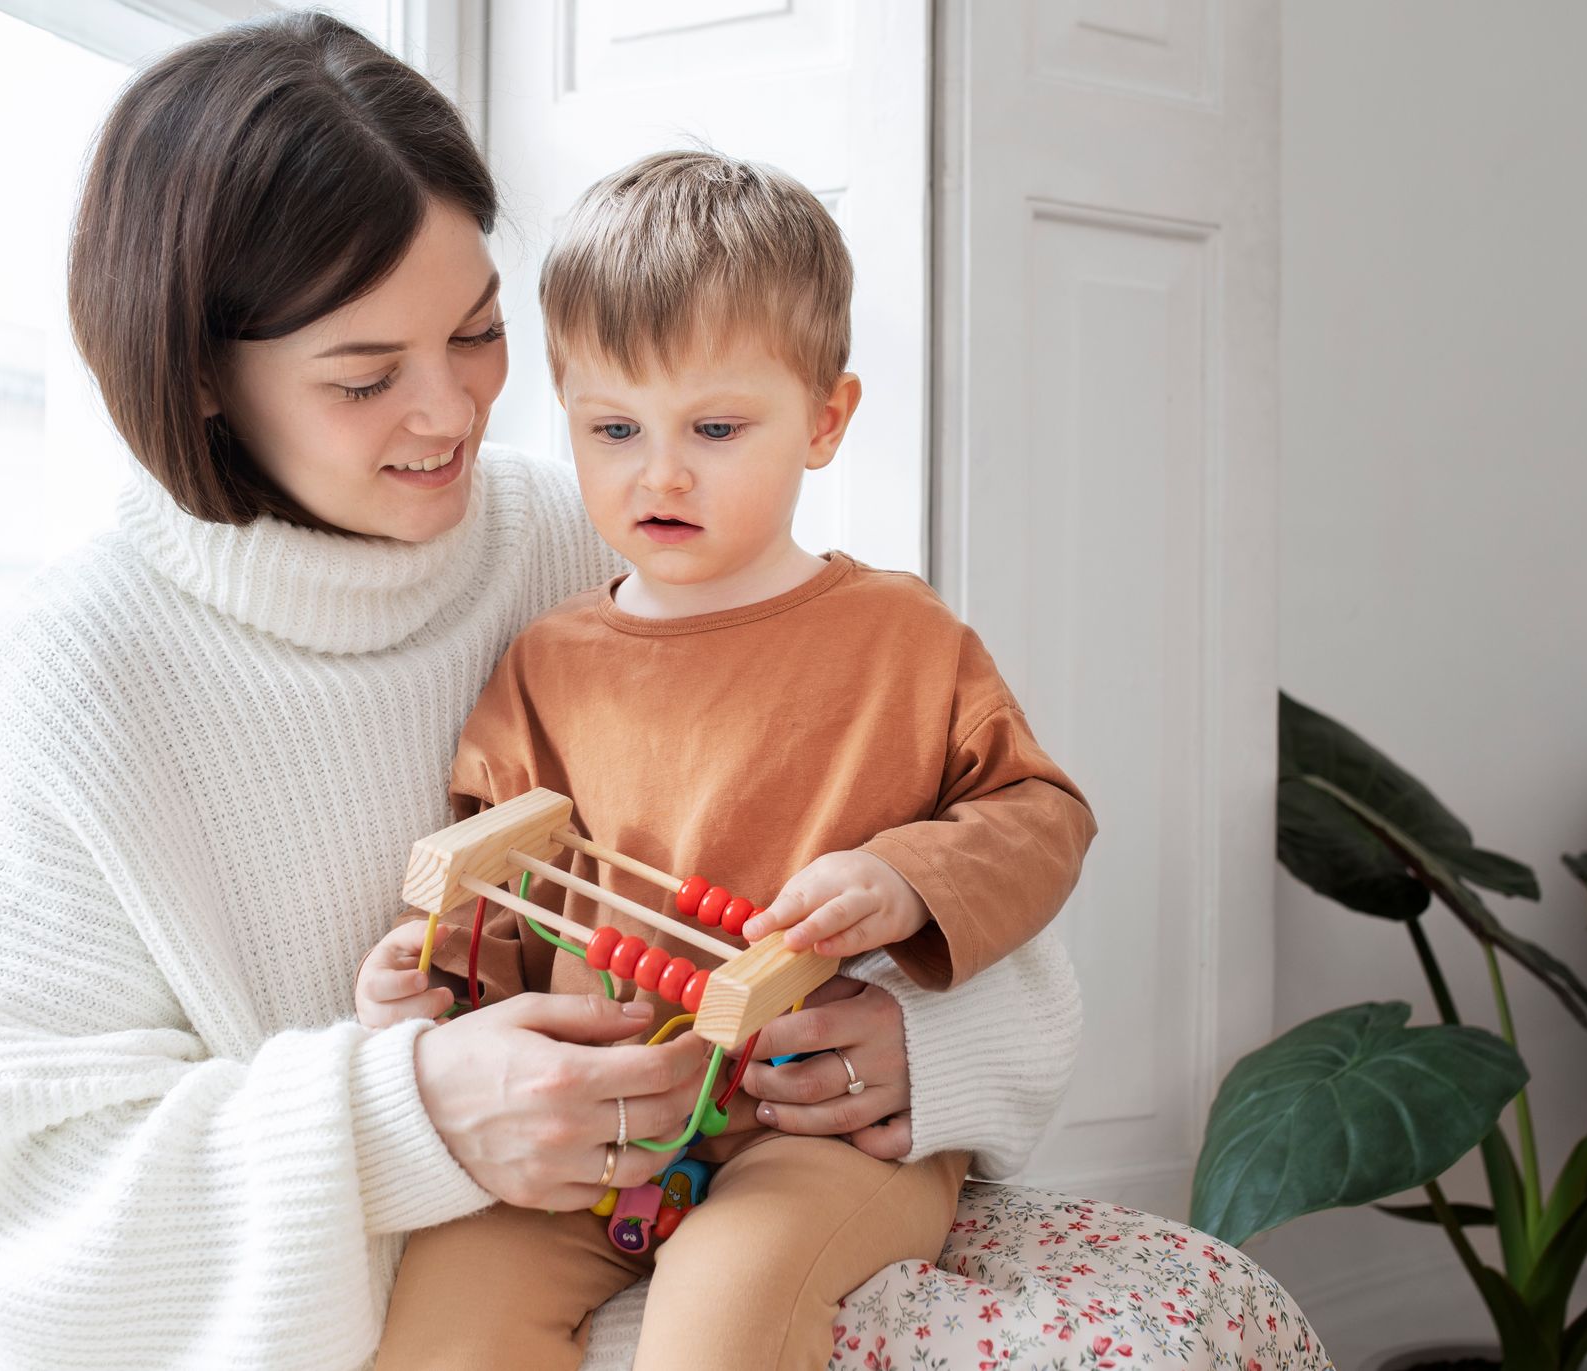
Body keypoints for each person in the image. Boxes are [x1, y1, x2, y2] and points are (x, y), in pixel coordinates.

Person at [0, 15, 1084, 1371]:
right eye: (364, 376)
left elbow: (987, 874)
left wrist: (914, 1040)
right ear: (204, 379)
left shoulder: (593, 540)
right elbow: (14, 1209)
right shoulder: (69, 681)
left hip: (762, 1203)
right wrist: (406, 1101)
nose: (453, 414)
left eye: (475, 332)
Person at [362, 152, 1096, 1370]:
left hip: (813, 1135)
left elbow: (1039, 813)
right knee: (442, 1312)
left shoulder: (904, 640)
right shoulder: (544, 664)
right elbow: (504, 909)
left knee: (720, 1311)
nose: (660, 471)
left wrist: (911, 878)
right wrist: (424, 990)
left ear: (824, 420)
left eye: (714, 426)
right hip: (609, 1125)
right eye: (613, 427)